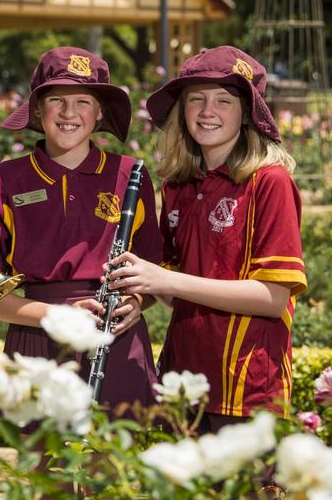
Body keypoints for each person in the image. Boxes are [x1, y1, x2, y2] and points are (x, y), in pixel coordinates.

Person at [107, 46, 305, 430]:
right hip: (182, 383)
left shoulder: (270, 181)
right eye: (195, 99)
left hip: (246, 392)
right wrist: (138, 297)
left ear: (247, 113)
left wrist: (165, 280)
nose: (207, 111)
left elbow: (273, 297)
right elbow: (167, 283)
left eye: (223, 100)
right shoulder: (178, 186)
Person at [0, 47, 161, 412]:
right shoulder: (7, 179)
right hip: (37, 342)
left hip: (116, 339)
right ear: (38, 109)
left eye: (83, 101)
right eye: (56, 99)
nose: (69, 113)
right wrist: (56, 316)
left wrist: (136, 302)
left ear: (101, 111)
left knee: (111, 464)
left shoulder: (131, 174)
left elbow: (154, 272)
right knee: (42, 463)